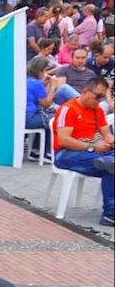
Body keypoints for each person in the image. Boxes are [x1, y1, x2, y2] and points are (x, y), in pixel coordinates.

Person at [51, 77, 114, 227]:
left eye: (102, 97)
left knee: (111, 166)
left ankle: (110, 214)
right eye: (97, 96)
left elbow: (107, 135)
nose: (99, 101)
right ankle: (110, 213)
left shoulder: (97, 110)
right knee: (110, 166)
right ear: (85, 91)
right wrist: (92, 147)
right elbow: (64, 140)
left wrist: (111, 141)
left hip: (91, 153)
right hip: (66, 153)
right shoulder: (68, 109)